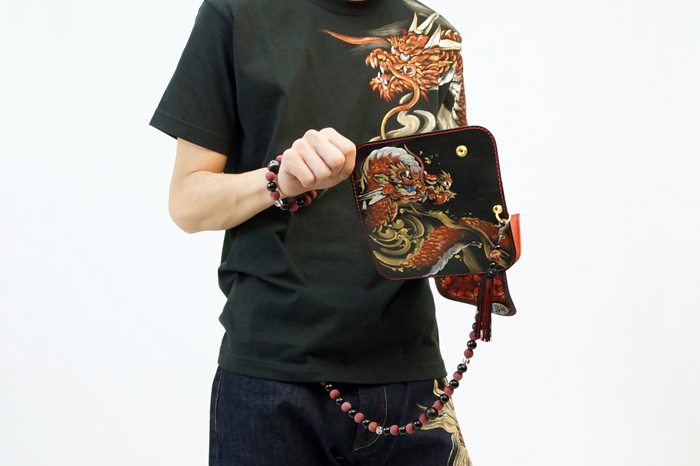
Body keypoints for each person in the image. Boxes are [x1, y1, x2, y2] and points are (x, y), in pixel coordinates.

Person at [150, 0, 471, 464]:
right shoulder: (236, 14)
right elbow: (187, 203)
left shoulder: (433, 34)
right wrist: (277, 179)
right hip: (271, 381)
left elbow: (443, 203)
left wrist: (481, 248)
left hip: (411, 379)